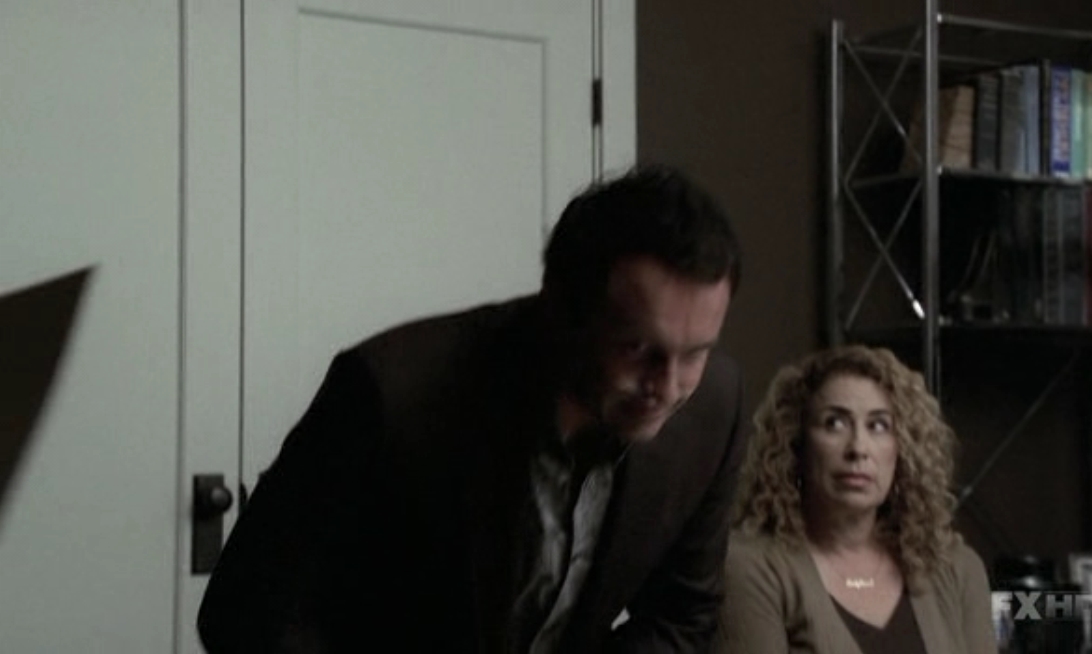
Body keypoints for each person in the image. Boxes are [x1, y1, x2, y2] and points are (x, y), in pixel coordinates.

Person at [198, 165, 748, 653]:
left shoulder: (713, 413)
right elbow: (244, 615)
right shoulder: (391, 394)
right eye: (637, 349)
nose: (669, 386)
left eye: (695, 353)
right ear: (564, 310)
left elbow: (682, 617)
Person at [713, 345, 995, 654]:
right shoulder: (751, 567)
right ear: (796, 442)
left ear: (902, 449)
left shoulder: (955, 567)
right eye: (834, 423)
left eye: (878, 425)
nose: (858, 448)